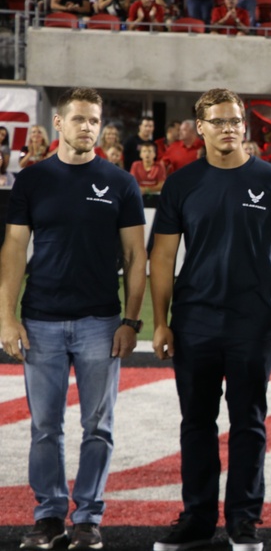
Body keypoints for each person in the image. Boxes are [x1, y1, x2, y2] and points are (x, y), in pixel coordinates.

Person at [150, 88, 271, 551]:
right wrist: (160, 322)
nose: (228, 129)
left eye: (235, 121)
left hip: (251, 323)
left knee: (249, 423)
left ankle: (243, 521)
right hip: (193, 322)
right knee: (196, 423)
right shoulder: (181, 184)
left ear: (245, 126)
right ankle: (197, 518)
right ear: (200, 128)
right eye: (217, 122)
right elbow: (162, 256)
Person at [0, 87, 146, 551]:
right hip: (40, 320)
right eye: (79, 119)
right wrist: (6, 317)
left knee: (98, 427)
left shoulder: (121, 182)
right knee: (45, 426)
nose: (88, 127)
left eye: (94, 120)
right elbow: (14, 251)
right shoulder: (32, 181)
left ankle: (87, 518)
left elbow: (135, 255)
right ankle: (48, 517)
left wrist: (131, 321)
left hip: (101, 322)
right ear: (58, 124)